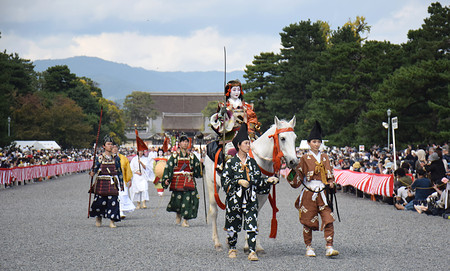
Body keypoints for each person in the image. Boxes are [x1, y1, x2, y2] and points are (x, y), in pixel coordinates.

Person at [221, 123, 278, 261]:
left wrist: (268, 181)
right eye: (246, 143)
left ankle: (252, 251)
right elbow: (225, 182)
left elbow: (258, 181)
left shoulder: (253, 163)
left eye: (249, 143)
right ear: (239, 145)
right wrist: (238, 182)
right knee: (233, 224)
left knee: (252, 223)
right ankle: (232, 248)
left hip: (250, 198)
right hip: (235, 198)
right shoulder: (230, 163)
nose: (249, 146)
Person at [287, 121, 339, 257]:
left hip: (323, 192)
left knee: (329, 219)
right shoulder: (304, 158)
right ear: (309, 143)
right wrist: (292, 170)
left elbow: (330, 174)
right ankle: (309, 246)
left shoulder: (325, 157)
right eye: (314, 142)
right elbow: (297, 176)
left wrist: (331, 182)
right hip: (309, 192)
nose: (316, 144)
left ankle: (329, 246)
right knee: (308, 220)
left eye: (318, 142)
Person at [162, 135, 202, 227]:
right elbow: (169, 168)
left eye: (186, 142)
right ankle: (178, 214)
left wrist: (200, 164)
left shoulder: (192, 156)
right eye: (183, 142)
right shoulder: (174, 156)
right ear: (179, 144)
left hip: (189, 181)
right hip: (177, 182)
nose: (185, 143)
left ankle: (185, 220)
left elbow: (197, 170)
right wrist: (166, 179)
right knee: (177, 200)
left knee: (189, 199)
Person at [89, 135, 124, 228]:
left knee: (114, 201)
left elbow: (119, 171)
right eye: (108, 144)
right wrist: (92, 172)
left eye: (111, 144)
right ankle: (98, 217)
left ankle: (112, 221)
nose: (110, 146)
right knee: (99, 201)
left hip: (112, 182)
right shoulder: (100, 157)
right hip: (101, 181)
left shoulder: (116, 158)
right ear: (104, 146)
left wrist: (121, 183)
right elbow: (94, 168)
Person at [112, 144, 135, 219]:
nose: (114, 149)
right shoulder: (108, 158)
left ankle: (121, 211)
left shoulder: (123, 158)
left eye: (116, 147)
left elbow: (127, 169)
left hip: (122, 179)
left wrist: (129, 179)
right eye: (113, 148)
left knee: (122, 195)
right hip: (112, 179)